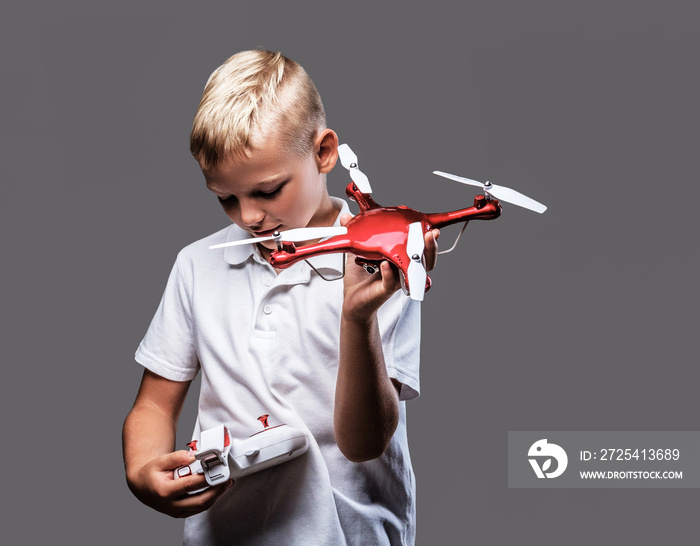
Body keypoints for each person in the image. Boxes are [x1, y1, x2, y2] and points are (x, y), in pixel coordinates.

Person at [122, 49, 439, 545]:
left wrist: (357, 317)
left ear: (324, 153)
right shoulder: (196, 265)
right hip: (228, 533)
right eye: (226, 197)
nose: (247, 216)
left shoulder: (379, 260)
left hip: (350, 534)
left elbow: (364, 444)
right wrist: (142, 470)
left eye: (267, 191)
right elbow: (154, 407)